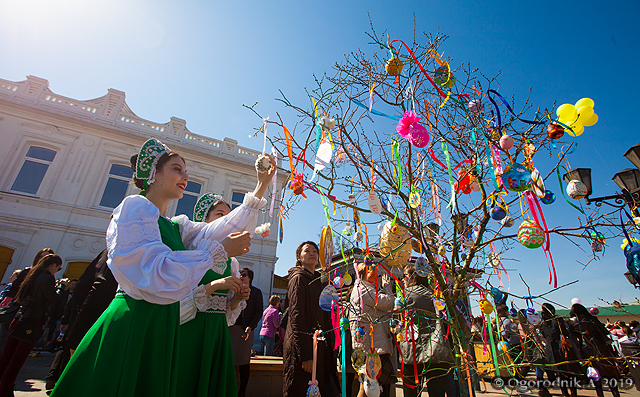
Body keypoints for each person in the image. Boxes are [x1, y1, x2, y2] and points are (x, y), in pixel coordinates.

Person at [51, 138, 274, 396]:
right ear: (154, 173)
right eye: (177, 169)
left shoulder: (177, 226)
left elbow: (223, 229)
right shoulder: (135, 208)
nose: (185, 176)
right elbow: (154, 273)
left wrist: (262, 184)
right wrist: (218, 251)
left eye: (185, 171)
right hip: (136, 321)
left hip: (162, 326)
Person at [176, 194, 253, 397]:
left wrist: (238, 297)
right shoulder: (189, 249)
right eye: (220, 215)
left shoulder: (232, 262)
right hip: (192, 329)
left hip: (217, 332)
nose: (226, 221)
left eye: (229, 216)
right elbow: (176, 302)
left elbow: (227, 310)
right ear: (205, 219)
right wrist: (214, 285)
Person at [0, 254, 66, 396]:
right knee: (16, 361)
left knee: (6, 357)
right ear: (53, 265)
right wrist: (60, 288)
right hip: (32, 322)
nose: (57, 271)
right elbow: (53, 299)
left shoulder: (31, 275)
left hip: (19, 317)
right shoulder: (47, 277)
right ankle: (4, 390)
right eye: (58, 268)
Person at [283, 241, 339, 397]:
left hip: (319, 347)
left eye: (315, 251)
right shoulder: (298, 278)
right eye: (307, 251)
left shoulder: (318, 280)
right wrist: (306, 354)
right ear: (299, 257)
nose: (312, 253)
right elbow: (296, 316)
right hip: (303, 349)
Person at [399, 264, 455, 397]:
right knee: (437, 392)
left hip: (414, 350)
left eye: (405, 276)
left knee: (411, 391)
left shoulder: (406, 295)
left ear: (414, 278)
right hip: (438, 350)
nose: (403, 280)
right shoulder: (435, 295)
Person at [349, 261, 396, 397]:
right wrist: (387, 288)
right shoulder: (364, 289)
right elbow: (389, 303)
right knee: (372, 387)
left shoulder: (361, 289)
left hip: (370, 345)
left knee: (367, 386)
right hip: (373, 347)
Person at [0, 248, 54, 356]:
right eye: (41, 256)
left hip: (33, 317)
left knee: (18, 353)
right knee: (5, 348)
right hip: (17, 313)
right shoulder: (27, 272)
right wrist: (27, 295)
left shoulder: (49, 277)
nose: (43, 260)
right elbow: (11, 291)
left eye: (46, 258)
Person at [568, 303, 621, 397]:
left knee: (595, 374)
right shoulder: (592, 318)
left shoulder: (572, 322)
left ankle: (600, 394)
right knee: (609, 373)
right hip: (601, 347)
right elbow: (604, 331)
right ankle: (615, 394)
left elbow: (574, 336)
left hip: (586, 349)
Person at [230, 267, 263, 397]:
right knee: (230, 361)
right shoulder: (233, 290)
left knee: (244, 361)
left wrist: (251, 326)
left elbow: (258, 311)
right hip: (232, 328)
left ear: (250, 278)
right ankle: (230, 389)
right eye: (240, 274)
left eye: (244, 274)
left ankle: (242, 391)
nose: (241, 276)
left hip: (246, 330)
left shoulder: (256, 292)